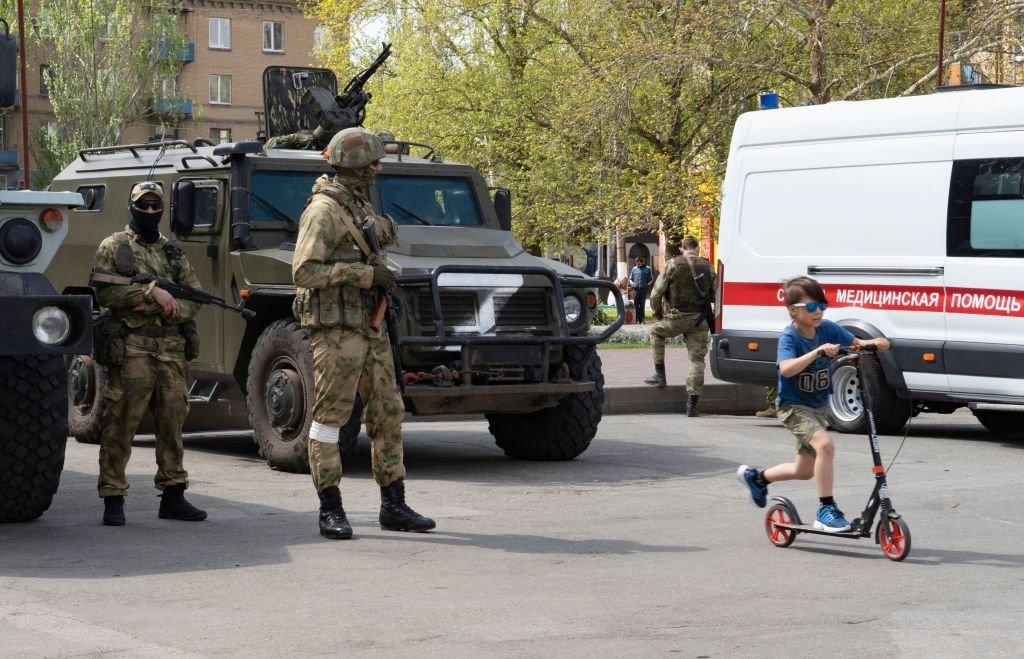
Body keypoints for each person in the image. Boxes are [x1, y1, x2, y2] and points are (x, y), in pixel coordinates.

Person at [292, 127, 435, 540]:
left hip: (369, 326)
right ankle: (330, 507)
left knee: (388, 412)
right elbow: (303, 271)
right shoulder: (322, 211)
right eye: (371, 163)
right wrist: (363, 273)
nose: (377, 169)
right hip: (336, 330)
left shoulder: (355, 206)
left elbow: (380, 234)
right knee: (330, 419)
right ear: (353, 166)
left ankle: (394, 503)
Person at [91, 182, 207, 526]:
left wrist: (173, 309)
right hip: (132, 347)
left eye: (156, 205)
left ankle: (173, 495)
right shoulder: (114, 246)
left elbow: (194, 297)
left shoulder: (173, 252)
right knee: (121, 423)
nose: (150, 211)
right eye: (143, 205)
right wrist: (149, 295)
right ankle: (113, 497)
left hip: (170, 349)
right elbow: (103, 293)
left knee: (173, 423)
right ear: (132, 207)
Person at [736, 276, 890, 532]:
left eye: (822, 305)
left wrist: (873, 344)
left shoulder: (827, 329)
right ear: (792, 310)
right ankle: (826, 509)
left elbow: (855, 342)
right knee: (825, 446)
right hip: (793, 407)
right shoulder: (790, 337)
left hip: (818, 408)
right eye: (810, 307)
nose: (818, 311)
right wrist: (817, 352)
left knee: (804, 470)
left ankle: (758, 478)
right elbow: (785, 369)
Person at [644, 236, 715, 417]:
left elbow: (655, 295)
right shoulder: (708, 266)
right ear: (697, 248)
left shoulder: (673, 264)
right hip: (700, 320)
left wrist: (658, 314)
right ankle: (692, 405)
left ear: (682, 249)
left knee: (656, 332)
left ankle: (660, 375)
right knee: (697, 361)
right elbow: (716, 295)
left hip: (676, 319)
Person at [628, 257, 653, 324]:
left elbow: (651, 279)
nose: (637, 264)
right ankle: (636, 319)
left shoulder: (647, 269)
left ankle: (642, 319)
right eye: (636, 263)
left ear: (642, 262)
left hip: (643, 289)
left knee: (642, 304)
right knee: (636, 304)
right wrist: (632, 284)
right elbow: (630, 278)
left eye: (638, 263)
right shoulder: (634, 269)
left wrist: (647, 285)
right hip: (635, 289)